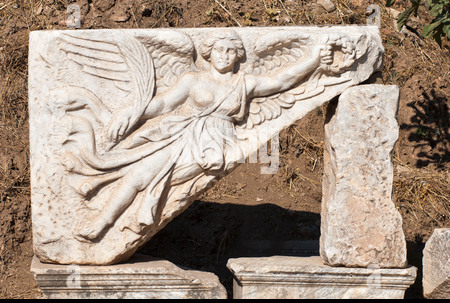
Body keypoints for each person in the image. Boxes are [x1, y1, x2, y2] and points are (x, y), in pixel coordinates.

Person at [75, 30, 331, 241]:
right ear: (208, 53)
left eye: (230, 51)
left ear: (238, 55)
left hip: (215, 144)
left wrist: (315, 60)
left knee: (155, 180)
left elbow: (281, 80)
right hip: (181, 133)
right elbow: (164, 104)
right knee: (137, 175)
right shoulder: (192, 79)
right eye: (219, 49)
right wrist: (134, 112)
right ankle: (101, 223)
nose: (224, 55)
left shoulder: (244, 83)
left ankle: (128, 217)